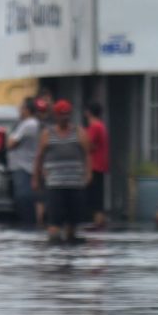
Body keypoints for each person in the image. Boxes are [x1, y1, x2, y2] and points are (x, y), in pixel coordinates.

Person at [34, 98, 93, 244]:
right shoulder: (47, 134)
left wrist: (89, 174)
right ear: (55, 115)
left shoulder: (79, 132)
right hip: (55, 184)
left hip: (75, 183)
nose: (64, 117)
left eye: (67, 114)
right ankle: (55, 246)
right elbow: (39, 157)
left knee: (73, 223)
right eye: (61, 114)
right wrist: (36, 178)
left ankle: (71, 242)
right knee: (54, 222)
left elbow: (87, 155)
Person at [7, 100, 42, 229]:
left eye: (21, 109)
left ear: (27, 110)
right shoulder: (25, 124)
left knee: (24, 198)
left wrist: (11, 136)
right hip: (23, 166)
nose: (19, 111)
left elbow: (11, 143)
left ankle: (28, 225)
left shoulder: (28, 125)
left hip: (24, 167)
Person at [83, 100, 110, 229]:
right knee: (98, 194)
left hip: (94, 165)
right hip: (100, 164)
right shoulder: (101, 125)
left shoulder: (94, 126)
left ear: (88, 112)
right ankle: (99, 221)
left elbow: (88, 144)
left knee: (95, 196)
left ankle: (98, 222)